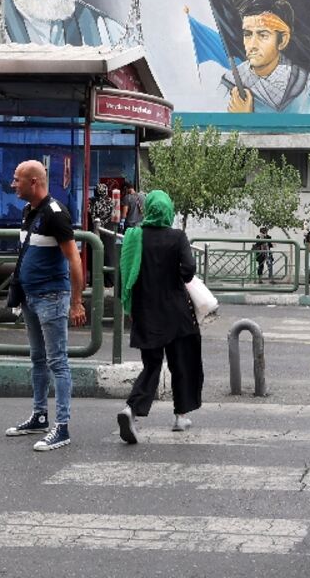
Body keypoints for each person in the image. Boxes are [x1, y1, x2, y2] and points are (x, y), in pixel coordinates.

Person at [4, 160, 88, 452]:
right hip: (30, 296)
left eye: (17, 180)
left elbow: (74, 259)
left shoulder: (55, 214)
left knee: (57, 362)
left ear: (34, 183)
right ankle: (40, 416)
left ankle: (62, 427)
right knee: (38, 359)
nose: (13, 184)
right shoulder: (30, 210)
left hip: (51, 297)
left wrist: (77, 302)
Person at [116, 190, 203, 443]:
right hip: (177, 313)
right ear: (168, 211)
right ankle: (180, 416)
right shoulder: (177, 237)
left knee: (151, 365)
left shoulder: (134, 236)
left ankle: (131, 410)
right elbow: (188, 271)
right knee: (182, 364)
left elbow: (124, 275)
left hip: (145, 313)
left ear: (147, 210)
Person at [221, 0, 310, 113]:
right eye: (248, 34)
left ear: (282, 41)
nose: (252, 45)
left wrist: (246, 119)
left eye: (263, 35)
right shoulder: (228, 85)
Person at [88, 183, 117, 287]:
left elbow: (90, 214)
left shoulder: (92, 202)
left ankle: (95, 280)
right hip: (108, 231)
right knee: (109, 256)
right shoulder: (111, 202)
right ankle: (109, 281)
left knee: (95, 254)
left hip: (95, 231)